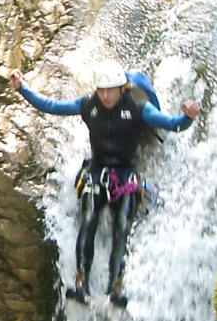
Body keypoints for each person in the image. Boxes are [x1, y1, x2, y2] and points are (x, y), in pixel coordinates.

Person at [10, 60, 201, 307]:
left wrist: (188, 117)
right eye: (101, 89)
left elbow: (173, 124)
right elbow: (50, 106)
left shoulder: (139, 108)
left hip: (125, 176)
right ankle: (81, 283)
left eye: (110, 89)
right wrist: (22, 88)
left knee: (122, 226)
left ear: (123, 88)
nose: (106, 95)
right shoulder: (88, 106)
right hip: (97, 171)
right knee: (88, 218)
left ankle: (116, 287)